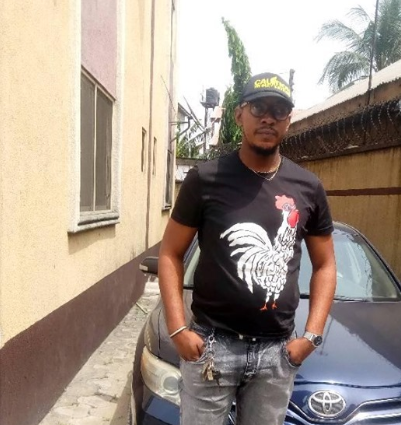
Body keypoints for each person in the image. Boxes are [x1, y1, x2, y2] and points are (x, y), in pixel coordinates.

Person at [158, 72, 336, 425]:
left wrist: (311, 337)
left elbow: (326, 265)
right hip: (211, 346)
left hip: (276, 353)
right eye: (258, 108)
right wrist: (178, 329)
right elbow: (170, 253)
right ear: (239, 115)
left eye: (278, 110)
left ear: (289, 120)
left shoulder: (308, 186)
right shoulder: (205, 179)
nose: (268, 118)